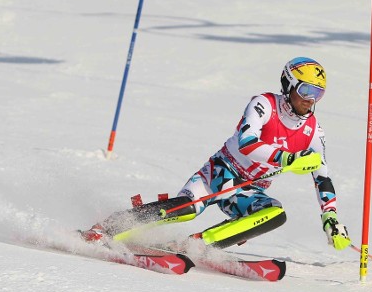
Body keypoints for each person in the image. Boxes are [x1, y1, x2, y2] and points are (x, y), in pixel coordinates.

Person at [81, 57, 351, 252]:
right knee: (187, 209)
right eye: (306, 90)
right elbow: (246, 142)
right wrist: (288, 159)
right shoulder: (264, 104)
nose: (310, 99)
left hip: (248, 189)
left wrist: (331, 217)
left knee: (275, 213)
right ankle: (108, 226)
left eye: (318, 93)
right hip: (221, 172)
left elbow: (322, 177)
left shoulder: (314, 131)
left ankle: (196, 245)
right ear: (289, 85)